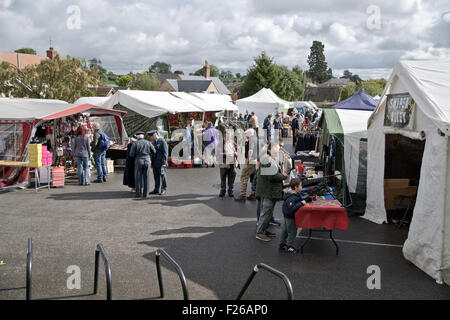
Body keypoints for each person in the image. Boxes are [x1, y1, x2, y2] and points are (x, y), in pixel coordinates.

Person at [255, 143, 289, 242]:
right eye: (278, 148)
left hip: (269, 191)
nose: (279, 150)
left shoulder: (269, 158)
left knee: (268, 213)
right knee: (266, 213)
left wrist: (281, 175)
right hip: (267, 191)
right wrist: (283, 176)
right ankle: (260, 233)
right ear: (270, 150)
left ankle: (264, 230)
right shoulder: (267, 159)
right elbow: (271, 175)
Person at [280, 178, 312, 253]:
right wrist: (302, 203)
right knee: (292, 231)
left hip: (287, 215)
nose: (302, 187)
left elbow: (301, 197)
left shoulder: (293, 194)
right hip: (290, 216)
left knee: (285, 230)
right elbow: (292, 208)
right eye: (300, 186)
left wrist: (307, 199)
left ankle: (282, 244)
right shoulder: (292, 197)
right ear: (296, 187)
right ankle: (289, 246)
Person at [130, 132, 156, 198]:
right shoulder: (148, 142)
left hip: (138, 160)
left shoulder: (135, 143)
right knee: (146, 177)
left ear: (137, 137)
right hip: (147, 160)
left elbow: (131, 154)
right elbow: (154, 151)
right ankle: (146, 194)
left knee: (138, 177)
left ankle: (138, 193)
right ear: (143, 137)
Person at [235, 129, 257, 202]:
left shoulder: (251, 140)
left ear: (250, 133)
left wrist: (248, 160)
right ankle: (253, 194)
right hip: (256, 161)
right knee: (253, 178)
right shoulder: (256, 138)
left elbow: (250, 151)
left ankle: (242, 194)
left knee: (244, 177)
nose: (245, 135)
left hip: (251, 161)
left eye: (246, 133)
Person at [149, 130, 169, 195]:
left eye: (150, 136)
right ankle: (156, 189)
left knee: (163, 176)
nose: (150, 138)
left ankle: (163, 189)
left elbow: (165, 153)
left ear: (154, 135)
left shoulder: (162, 141)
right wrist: (152, 163)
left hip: (161, 163)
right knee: (156, 177)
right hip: (155, 163)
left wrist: (164, 163)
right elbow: (152, 154)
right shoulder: (153, 143)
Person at [219, 131, 237, 197]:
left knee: (231, 177)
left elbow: (237, 150)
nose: (228, 138)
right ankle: (222, 191)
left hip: (232, 162)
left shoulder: (233, 143)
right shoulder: (220, 143)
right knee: (223, 177)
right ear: (224, 136)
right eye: (227, 137)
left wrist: (236, 153)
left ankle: (230, 191)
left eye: (229, 137)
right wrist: (226, 155)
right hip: (224, 162)